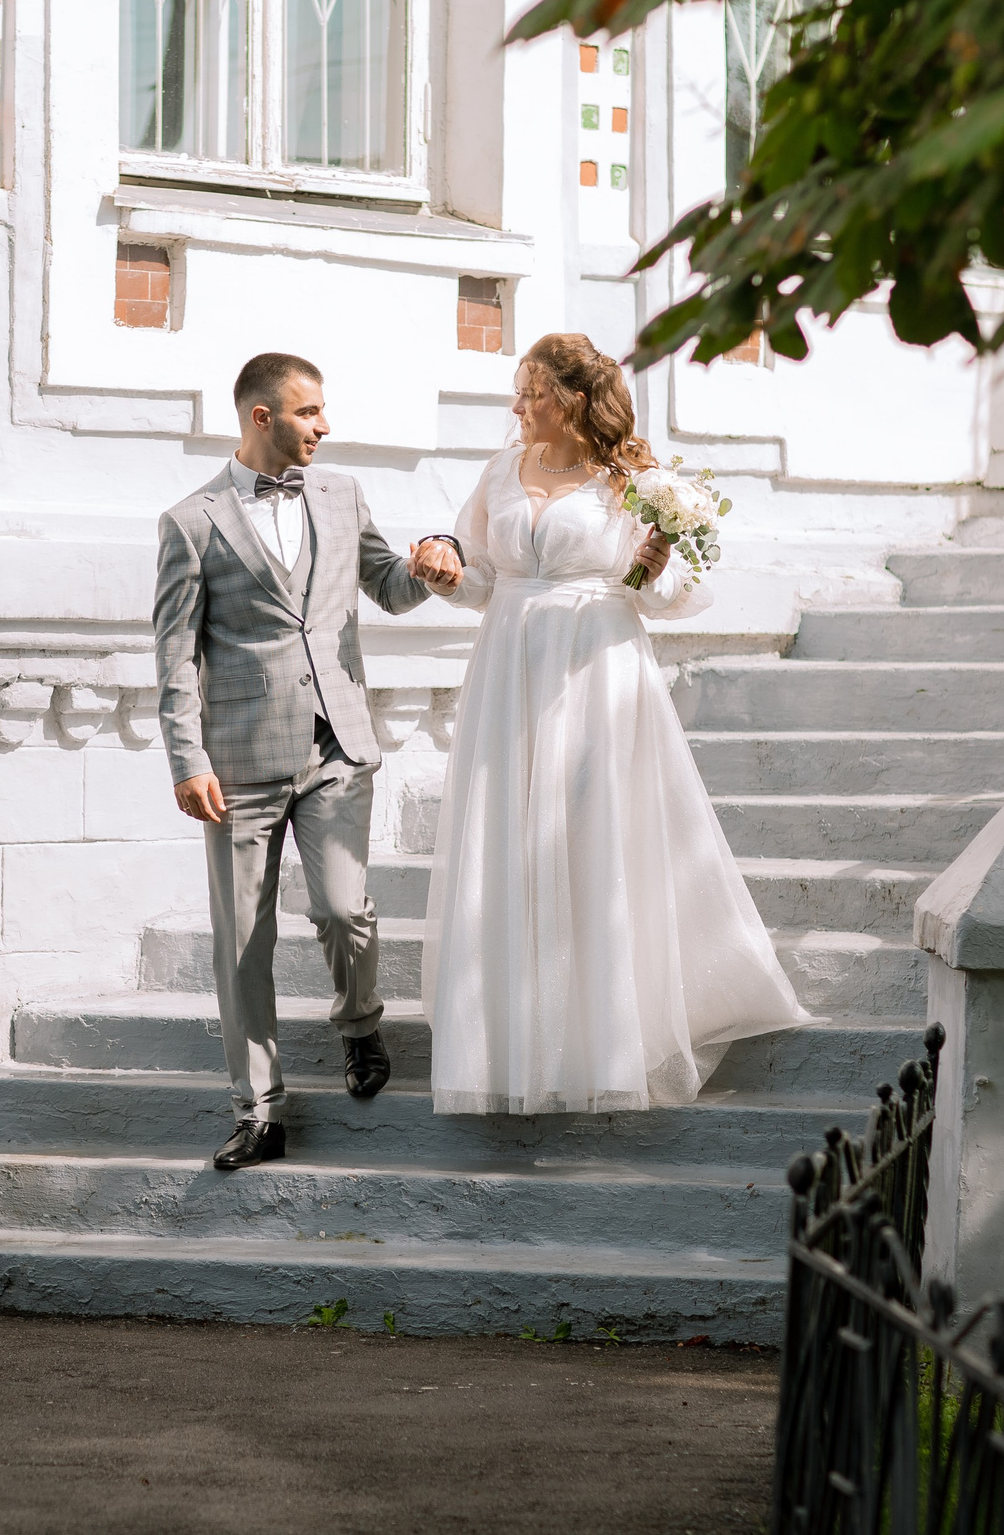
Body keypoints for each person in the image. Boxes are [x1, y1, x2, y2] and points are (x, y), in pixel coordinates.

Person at [404, 333, 812, 1116]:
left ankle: (601, 1039)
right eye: (517, 391)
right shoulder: (499, 472)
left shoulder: (635, 481)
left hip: (597, 663)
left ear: (574, 399)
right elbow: (482, 575)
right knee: (511, 842)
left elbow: (681, 589)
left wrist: (653, 573)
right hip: (509, 667)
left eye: (531, 391)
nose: (517, 406)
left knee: (592, 838)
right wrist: (445, 569)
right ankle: (510, 1042)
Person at [153, 352, 465, 1171]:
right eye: (309, 412)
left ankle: (360, 1021)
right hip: (239, 763)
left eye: (323, 411)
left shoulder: (341, 493)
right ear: (263, 416)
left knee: (342, 905)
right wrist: (188, 758)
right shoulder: (192, 521)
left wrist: (433, 558)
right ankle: (258, 1110)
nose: (324, 426)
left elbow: (389, 587)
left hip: (337, 743)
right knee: (241, 939)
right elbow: (175, 655)